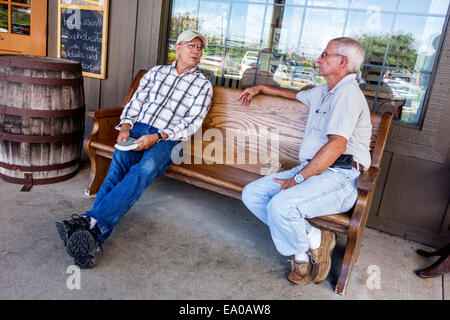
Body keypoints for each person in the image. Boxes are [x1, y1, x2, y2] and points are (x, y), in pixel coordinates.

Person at [56, 30, 213, 268]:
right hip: (137, 129)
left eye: (200, 48)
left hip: (170, 140)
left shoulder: (203, 85)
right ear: (178, 47)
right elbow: (135, 103)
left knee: (143, 170)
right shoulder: (156, 73)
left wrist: (158, 136)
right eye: (191, 45)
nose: (196, 50)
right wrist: (126, 127)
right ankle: (93, 237)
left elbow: (191, 124)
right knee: (116, 171)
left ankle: (87, 221)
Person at [239, 37, 371, 285]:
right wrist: (262, 89)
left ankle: (301, 259)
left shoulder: (348, 95)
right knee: (253, 194)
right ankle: (314, 241)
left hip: (340, 177)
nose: (318, 59)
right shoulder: (325, 90)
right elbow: (295, 94)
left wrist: (298, 178)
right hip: (315, 169)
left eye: (324, 54)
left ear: (341, 61)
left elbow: (336, 145)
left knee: (281, 206)